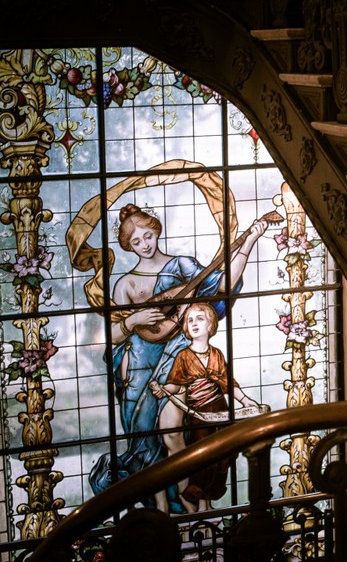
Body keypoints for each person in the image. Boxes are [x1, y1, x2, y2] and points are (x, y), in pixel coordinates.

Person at [88, 203, 268, 511]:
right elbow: (110, 337)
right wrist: (133, 321)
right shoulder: (126, 284)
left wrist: (249, 241)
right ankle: (162, 511)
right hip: (141, 371)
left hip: (181, 361)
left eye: (147, 236)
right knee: (147, 443)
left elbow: (222, 286)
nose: (144, 245)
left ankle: (198, 506)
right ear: (128, 246)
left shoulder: (182, 266)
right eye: (136, 242)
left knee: (183, 432)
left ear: (156, 230)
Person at [151, 302, 260, 513]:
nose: (194, 324)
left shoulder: (217, 354)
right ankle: (201, 503)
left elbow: (228, 382)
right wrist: (162, 389)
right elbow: (176, 384)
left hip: (220, 410)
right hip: (199, 416)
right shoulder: (183, 356)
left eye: (199, 319)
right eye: (190, 320)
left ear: (210, 325)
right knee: (202, 459)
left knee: (222, 457)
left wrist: (246, 401)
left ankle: (208, 502)